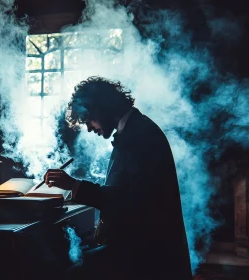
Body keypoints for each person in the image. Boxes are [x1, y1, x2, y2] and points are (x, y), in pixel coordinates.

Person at [44, 76, 192, 280]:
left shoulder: (140, 135)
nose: (89, 128)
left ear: (100, 109)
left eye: (89, 121)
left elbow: (128, 200)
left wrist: (74, 185)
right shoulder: (135, 128)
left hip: (146, 255)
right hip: (141, 247)